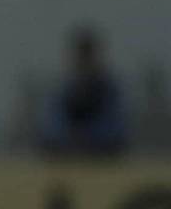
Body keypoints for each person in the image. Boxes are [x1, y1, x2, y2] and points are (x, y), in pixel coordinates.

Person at [40, 27, 127, 158]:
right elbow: (52, 128)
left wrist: (88, 138)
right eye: (81, 55)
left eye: (88, 55)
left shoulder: (110, 90)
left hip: (102, 156)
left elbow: (116, 128)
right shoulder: (62, 91)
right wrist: (71, 138)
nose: (84, 61)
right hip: (66, 155)